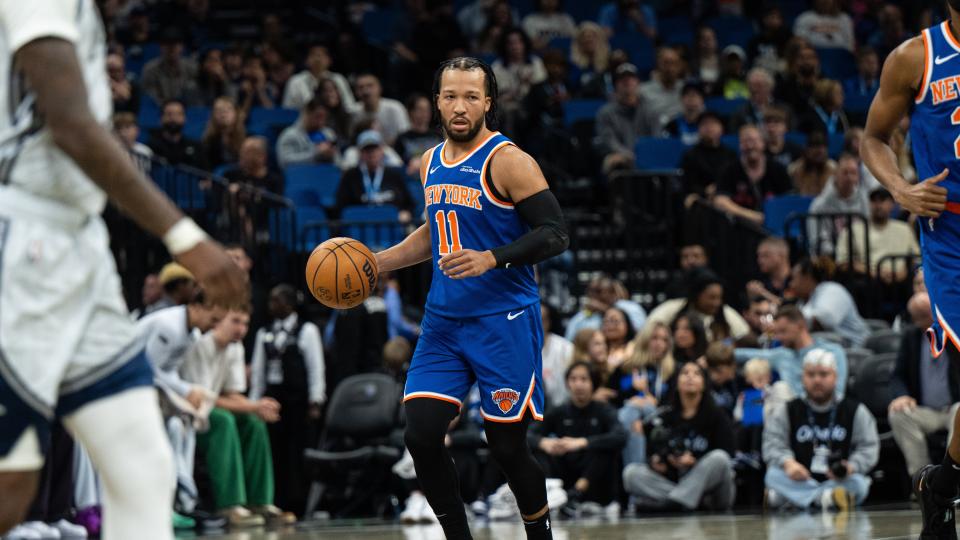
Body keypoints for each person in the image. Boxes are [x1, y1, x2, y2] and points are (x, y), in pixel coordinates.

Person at [0, 11, 246, 539]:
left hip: (78, 243)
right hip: (24, 238)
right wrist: (186, 238)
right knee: (11, 483)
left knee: (142, 465)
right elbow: (69, 121)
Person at [374, 57, 569, 540]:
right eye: (450, 96)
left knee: (505, 447)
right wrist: (380, 262)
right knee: (420, 434)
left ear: (488, 102)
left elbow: (555, 233)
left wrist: (493, 258)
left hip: (503, 320)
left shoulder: (509, 161)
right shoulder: (429, 161)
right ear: (436, 102)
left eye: (470, 97)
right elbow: (435, 232)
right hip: (444, 323)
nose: (459, 106)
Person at [861, 8, 960, 532]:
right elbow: (872, 138)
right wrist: (902, 189)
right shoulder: (915, 57)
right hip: (951, 232)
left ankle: (942, 483)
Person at [180, 308, 294, 525]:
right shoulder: (201, 344)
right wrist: (253, 406)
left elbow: (231, 393)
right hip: (188, 412)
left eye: (245, 323)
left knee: (253, 423)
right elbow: (205, 398)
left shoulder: (235, 348)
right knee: (224, 421)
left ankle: (259, 502)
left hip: (210, 409)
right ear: (217, 322)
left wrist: (258, 408)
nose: (241, 329)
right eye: (235, 322)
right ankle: (229, 505)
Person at [762, 350, 879, 510]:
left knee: (859, 484)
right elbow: (772, 444)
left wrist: (851, 466)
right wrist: (788, 463)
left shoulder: (855, 410)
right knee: (773, 476)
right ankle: (826, 499)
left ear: (835, 377)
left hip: (838, 480)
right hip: (799, 479)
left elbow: (869, 447)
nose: (817, 380)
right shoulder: (787, 409)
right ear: (803, 377)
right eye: (811, 375)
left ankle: (792, 499)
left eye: (823, 374)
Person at [249, 285, 325, 515]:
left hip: (298, 398)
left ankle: (299, 502)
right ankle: (276, 498)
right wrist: (254, 401)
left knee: (297, 451)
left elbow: (315, 366)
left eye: (276, 300)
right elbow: (258, 370)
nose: (271, 305)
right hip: (274, 396)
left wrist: (316, 398)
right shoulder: (264, 332)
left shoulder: (306, 330)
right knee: (275, 449)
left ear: (290, 304)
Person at [622, 362, 736, 511]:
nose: (690, 377)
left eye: (696, 374)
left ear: (704, 383)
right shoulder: (665, 415)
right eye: (684, 373)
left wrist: (694, 461)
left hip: (712, 491)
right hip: (679, 483)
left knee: (719, 458)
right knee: (631, 474)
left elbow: (728, 456)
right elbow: (655, 452)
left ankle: (676, 501)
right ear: (676, 382)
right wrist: (660, 462)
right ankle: (685, 502)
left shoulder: (718, 415)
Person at [529, 361, 627, 517]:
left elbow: (621, 436)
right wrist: (544, 442)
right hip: (565, 471)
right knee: (538, 449)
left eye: (584, 379)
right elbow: (528, 435)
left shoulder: (604, 410)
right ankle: (552, 494)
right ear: (567, 383)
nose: (578, 385)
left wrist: (583, 443)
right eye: (573, 379)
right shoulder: (559, 411)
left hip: (595, 478)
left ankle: (578, 494)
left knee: (605, 448)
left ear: (593, 383)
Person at [889, 292, 960, 478]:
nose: (926, 321)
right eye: (919, 318)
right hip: (925, 410)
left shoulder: (954, 332)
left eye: (927, 315)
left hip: (954, 406)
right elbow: (897, 376)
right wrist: (901, 395)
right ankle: (922, 479)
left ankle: (951, 478)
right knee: (898, 414)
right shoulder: (911, 337)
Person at [734, 305, 848, 401]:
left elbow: (839, 393)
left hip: (826, 409)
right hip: (791, 414)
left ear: (800, 326)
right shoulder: (781, 355)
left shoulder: (833, 351)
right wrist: (719, 351)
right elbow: (746, 354)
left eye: (783, 331)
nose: (778, 337)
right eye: (776, 332)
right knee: (780, 389)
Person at [614, 322, 676, 466]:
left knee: (632, 412)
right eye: (654, 338)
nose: (659, 344)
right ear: (644, 339)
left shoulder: (673, 371)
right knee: (631, 413)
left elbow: (672, 406)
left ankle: (632, 471)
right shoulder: (625, 368)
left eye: (664, 340)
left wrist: (646, 395)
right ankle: (635, 471)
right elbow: (612, 399)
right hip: (629, 421)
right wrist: (632, 399)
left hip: (659, 419)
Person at [714, 124, 793, 226]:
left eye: (754, 141)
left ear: (763, 143)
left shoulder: (778, 169)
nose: (750, 146)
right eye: (745, 142)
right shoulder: (729, 170)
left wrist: (771, 217)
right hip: (739, 226)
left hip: (774, 227)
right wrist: (753, 217)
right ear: (739, 145)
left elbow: (789, 200)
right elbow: (720, 202)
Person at [836, 187, 920, 281]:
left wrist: (905, 272)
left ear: (892, 204)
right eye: (874, 201)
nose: (878, 205)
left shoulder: (904, 228)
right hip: (868, 280)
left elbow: (916, 257)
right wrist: (872, 272)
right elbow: (842, 262)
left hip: (901, 280)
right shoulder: (854, 229)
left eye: (882, 200)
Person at [644, 268, 751, 343]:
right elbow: (647, 331)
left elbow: (746, 336)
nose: (717, 303)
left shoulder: (725, 312)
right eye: (712, 298)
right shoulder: (673, 307)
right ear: (697, 295)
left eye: (719, 298)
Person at [334, 130, 415, 222]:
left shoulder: (394, 175)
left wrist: (406, 213)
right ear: (360, 153)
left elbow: (409, 203)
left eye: (375, 148)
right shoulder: (350, 176)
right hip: (359, 228)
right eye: (367, 150)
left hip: (391, 228)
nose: (371, 153)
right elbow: (341, 206)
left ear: (382, 150)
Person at [790, 258, 869, 347]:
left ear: (807, 278)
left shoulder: (831, 290)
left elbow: (825, 318)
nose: (791, 285)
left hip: (856, 351)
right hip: (828, 352)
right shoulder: (802, 303)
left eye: (794, 279)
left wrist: (789, 324)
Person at [594, 63, 654, 174]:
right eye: (622, 79)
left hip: (647, 155)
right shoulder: (605, 112)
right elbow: (609, 141)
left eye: (631, 78)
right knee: (612, 161)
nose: (627, 82)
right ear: (615, 85)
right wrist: (629, 155)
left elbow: (656, 137)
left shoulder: (650, 109)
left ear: (638, 83)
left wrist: (643, 155)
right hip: (620, 156)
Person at [679, 111, 737, 203]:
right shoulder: (690, 155)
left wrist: (718, 187)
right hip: (701, 198)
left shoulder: (731, 154)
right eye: (704, 124)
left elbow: (735, 179)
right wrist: (705, 191)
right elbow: (687, 184)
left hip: (727, 196)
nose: (709, 127)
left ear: (721, 128)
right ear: (698, 129)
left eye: (713, 123)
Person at [282, 44, 357, 113]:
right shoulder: (295, 81)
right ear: (306, 61)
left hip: (335, 123)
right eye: (313, 55)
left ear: (329, 61)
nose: (317, 59)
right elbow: (287, 109)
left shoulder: (338, 79)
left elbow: (349, 105)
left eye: (322, 55)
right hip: (304, 123)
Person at [276, 96, 340, 169]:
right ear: (307, 113)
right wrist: (316, 154)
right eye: (318, 117)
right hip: (301, 177)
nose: (321, 122)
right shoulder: (289, 135)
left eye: (324, 118)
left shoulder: (329, 134)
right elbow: (285, 162)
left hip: (327, 176)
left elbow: (338, 163)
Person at [140, 28, 200, 105]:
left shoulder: (193, 68)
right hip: (160, 112)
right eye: (167, 44)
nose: (171, 48)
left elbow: (196, 96)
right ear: (161, 47)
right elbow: (150, 98)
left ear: (182, 47)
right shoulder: (150, 69)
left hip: (187, 111)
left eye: (175, 44)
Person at [352, 73, 410, 145]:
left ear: (379, 88)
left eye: (370, 86)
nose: (365, 91)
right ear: (356, 92)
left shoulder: (395, 108)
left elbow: (406, 135)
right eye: (361, 87)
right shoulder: (354, 112)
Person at [147, 100, 205, 168]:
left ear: (184, 118)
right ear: (161, 118)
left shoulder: (196, 147)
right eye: (169, 114)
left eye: (178, 114)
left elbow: (206, 175)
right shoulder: (151, 146)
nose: (174, 118)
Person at [640, 46, 685, 132]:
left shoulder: (686, 89)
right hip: (654, 135)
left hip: (681, 135)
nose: (670, 68)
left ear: (679, 67)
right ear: (658, 65)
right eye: (666, 63)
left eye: (674, 63)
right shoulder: (643, 90)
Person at [541, 304, 574, 410]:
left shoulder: (565, 347)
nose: (537, 323)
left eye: (542, 319)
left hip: (561, 408)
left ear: (549, 321)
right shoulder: (518, 348)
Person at [201, 96, 246, 170]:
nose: (223, 113)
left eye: (228, 109)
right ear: (213, 115)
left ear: (236, 113)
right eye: (219, 110)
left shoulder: (247, 138)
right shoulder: (208, 141)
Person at [747, 237, 792, 305]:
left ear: (781, 256)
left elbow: (792, 307)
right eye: (758, 256)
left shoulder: (796, 280)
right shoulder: (760, 282)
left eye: (766, 255)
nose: (760, 261)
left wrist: (763, 293)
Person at [663, 82, 705, 146]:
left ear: (702, 100)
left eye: (695, 95)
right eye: (687, 95)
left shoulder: (709, 124)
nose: (691, 98)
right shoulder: (671, 126)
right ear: (681, 99)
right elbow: (666, 146)